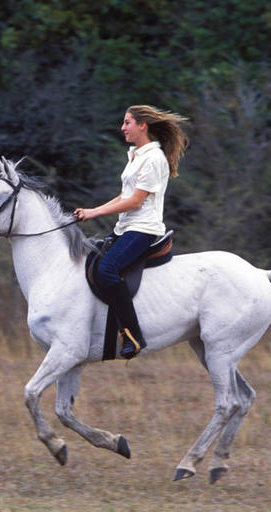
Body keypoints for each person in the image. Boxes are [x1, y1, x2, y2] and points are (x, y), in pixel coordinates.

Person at [74, 105, 189, 358]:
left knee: (107, 270)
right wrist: (91, 209)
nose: (122, 128)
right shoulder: (135, 155)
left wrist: (94, 213)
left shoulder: (153, 158)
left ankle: (133, 335)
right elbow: (123, 195)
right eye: (123, 123)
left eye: (127, 123)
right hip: (124, 228)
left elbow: (136, 201)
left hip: (143, 229)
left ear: (142, 125)